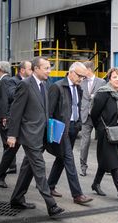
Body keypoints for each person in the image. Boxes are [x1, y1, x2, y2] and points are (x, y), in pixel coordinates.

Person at [7, 56, 64, 217]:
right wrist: (12, 134)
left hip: (42, 134)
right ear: (36, 69)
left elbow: (45, 110)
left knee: (28, 167)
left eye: (49, 67)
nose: (49, 70)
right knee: (39, 168)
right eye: (46, 67)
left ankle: (17, 198)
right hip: (29, 135)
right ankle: (51, 205)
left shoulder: (45, 85)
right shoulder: (24, 85)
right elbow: (16, 111)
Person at [46, 62, 93, 205]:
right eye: (80, 76)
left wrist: (78, 124)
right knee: (69, 159)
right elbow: (49, 111)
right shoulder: (57, 87)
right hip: (61, 128)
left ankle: (49, 186)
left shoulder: (78, 89)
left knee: (61, 158)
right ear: (71, 72)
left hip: (73, 127)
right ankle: (77, 194)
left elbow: (77, 107)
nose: (81, 79)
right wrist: (52, 130)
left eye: (84, 77)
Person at [90, 67, 118, 203]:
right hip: (106, 133)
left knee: (111, 160)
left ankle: (95, 183)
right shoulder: (103, 94)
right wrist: (100, 129)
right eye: (114, 77)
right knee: (113, 163)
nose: (117, 80)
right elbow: (94, 114)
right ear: (109, 79)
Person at [0, 60, 33, 188]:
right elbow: (11, 96)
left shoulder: (34, 82)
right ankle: (0, 175)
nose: (32, 71)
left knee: (34, 154)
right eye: (30, 69)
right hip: (17, 122)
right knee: (10, 151)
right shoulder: (12, 81)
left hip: (29, 123)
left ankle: (43, 183)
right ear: (22, 70)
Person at [79, 61, 106, 176]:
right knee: (85, 142)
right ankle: (83, 167)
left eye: (83, 70)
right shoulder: (81, 83)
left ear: (89, 70)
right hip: (85, 116)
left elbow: (105, 98)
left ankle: (106, 166)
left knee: (103, 142)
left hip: (98, 116)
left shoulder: (102, 82)